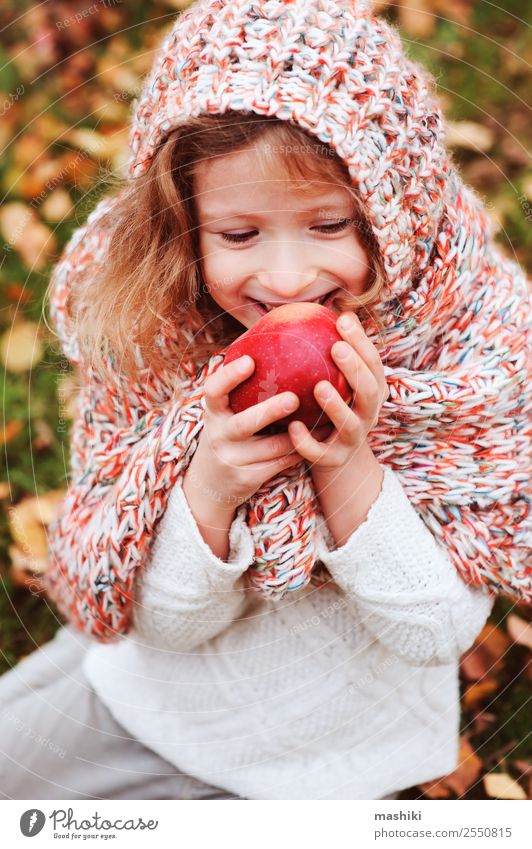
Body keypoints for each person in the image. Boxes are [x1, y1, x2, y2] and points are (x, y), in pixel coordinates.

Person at [1, 0, 529, 801]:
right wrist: (209, 485)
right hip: (160, 695)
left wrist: (350, 470)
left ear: (397, 210)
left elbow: (437, 631)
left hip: (321, 773)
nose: (285, 279)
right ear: (184, 228)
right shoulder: (161, 340)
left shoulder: (469, 354)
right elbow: (169, 625)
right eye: (240, 236)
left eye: (327, 223)